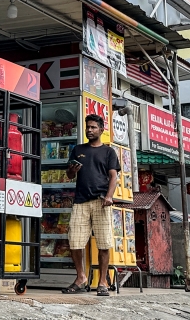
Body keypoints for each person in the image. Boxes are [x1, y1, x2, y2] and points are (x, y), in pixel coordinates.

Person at [63, 114, 119, 296]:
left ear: (101, 129)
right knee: (74, 241)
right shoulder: (78, 149)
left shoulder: (109, 152)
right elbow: (70, 176)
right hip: (80, 201)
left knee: (104, 243)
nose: (89, 130)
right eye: (88, 127)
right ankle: (81, 278)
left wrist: (109, 197)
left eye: (93, 127)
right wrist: (72, 170)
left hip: (102, 201)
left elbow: (113, 177)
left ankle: (102, 282)